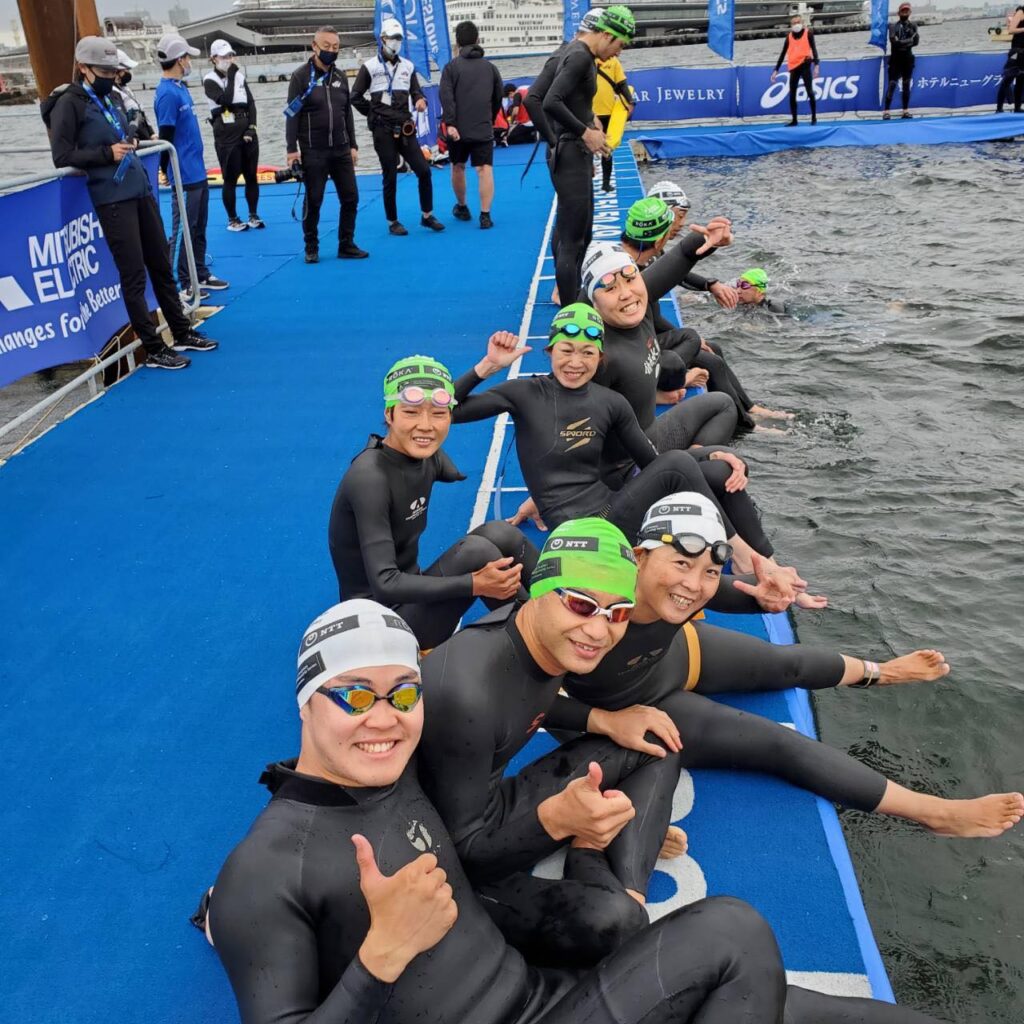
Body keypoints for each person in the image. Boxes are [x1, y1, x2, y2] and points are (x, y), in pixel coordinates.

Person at [198, 599, 947, 1024]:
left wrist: (592, 735)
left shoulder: (391, 771)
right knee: (732, 931)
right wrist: (380, 956)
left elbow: (512, 702)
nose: (384, 718)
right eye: (355, 695)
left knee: (792, 1005)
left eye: (402, 693)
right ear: (306, 701)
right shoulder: (265, 874)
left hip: (539, 991)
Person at [549, 493, 1024, 842]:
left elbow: (713, 588)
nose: (693, 585)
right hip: (639, 705)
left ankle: (883, 672)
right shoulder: (590, 606)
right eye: (680, 564)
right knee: (779, 744)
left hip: (678, 655)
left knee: (786, 662)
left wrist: (758, 595)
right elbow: (527, 697)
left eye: (709, 570)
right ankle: (936, 814)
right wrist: (605, 721)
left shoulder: (686, 590)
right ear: (639, 557)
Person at [453, 306, 740, 543]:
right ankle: (739, 551)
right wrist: (487, 367)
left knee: (719, 469)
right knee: (680, 463)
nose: (575, 362)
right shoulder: (524, 394)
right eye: (566, 350)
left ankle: (753, 556)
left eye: (587, 352)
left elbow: (651, 462)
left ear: (600, 357)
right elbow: (448, 412)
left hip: (611, 511)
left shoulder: (611, 402)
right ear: (550, 351)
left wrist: (710, 455)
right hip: (582, 530)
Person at [328, 353, 536, 649]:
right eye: (411, 413)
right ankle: (542, 639)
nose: (426, 426)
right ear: (389, 415)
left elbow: (446, 404)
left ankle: (561, 604)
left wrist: (485, 368)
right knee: (475, 553)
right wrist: (474, 584)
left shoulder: (427, 456)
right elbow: (385, 584)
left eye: (438, 414)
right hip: (380, 623)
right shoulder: (369, 478)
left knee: (501, 532)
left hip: (412, 597)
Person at [44, 36, 217, 371]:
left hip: (139, 190)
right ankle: (153, 348)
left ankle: (181, 331)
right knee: (134, 274)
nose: (111, 76)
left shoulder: (111, 97)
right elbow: (62, 156)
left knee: (161, 265)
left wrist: (133, 140)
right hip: (112, 198)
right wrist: (105, 154)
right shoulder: (71, 102)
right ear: (83, 68)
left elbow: (120, 131)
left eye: (114, 70)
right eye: (104, 71)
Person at [538, 6, 636, 308]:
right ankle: (573, 313)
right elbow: (549, 101)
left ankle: (571, 299)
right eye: (620, 45)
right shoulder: (580, 56)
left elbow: (568, 99)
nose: (619, 53)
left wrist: (589, 119)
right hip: (569, 151)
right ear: (606, 35)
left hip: (571, 152)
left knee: (578, 234)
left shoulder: (580, 54)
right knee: (574, 240)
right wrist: (585, 132)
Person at [351, 18, 445, 236]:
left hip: (405, 128)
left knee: (424, 171)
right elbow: (355, 96)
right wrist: (373, 113)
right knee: (390, 175)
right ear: (383, 39)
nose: (396, 42)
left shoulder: (408, 66)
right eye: (393, 38)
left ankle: (427, 215)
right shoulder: (370, 67)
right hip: (382, 130)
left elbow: (416, 91)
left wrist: (420, 100)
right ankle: (392, 221)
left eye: (399, 38)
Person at [154, 34, 230, 297]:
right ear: (179, 59)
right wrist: (165, 168)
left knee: (198, 226)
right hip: (183, 173)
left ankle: (199, 272)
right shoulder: (167, 93)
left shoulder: (180, 88)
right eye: (186, 57)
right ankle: (179, 283)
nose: (189, 62)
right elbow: (165, 135)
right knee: (183, 229)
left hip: (196, 169)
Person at [284, 26, 366, 264]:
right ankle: (311, 246)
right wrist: (292, 150)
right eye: (327, 46)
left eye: (336, 47)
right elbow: (292, 115)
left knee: (351, 198)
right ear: (315, 46)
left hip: (341, 149)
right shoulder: (300, 77)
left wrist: (353, 145)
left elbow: (346, 113)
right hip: (314, 151)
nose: (332, 50)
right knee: (314, 200)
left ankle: (346, 244)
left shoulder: (340, 77)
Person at [440, 21, 502, 229]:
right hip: (482, 126)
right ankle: (485, 215)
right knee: (484, 169)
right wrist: (489, 118)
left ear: (457, 42)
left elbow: (446, 97)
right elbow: (497, 98)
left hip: (457, 128)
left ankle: (462, 206)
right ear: (477, 40)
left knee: (458, 166)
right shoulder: (491, 68)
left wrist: (450, 123)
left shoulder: (451, 68)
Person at [204, 39, 263, 231]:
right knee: (230, 177)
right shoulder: (209, 80)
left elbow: (251, 103)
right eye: (224, 56)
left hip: (245, 125)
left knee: (251, 175)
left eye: (230, 56)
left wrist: (252, 127)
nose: (228, 60)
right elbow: (225, 100)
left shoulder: (239, 76)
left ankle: (253, 214)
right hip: (226, 131)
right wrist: (230, 76)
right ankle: (233, 219)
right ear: (214, 58)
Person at [593, 49, 633, 191]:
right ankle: (583, 182)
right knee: (585, 149)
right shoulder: (586, 60)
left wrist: (630, 102)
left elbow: (622, 83)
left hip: (609, 112)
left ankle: (606, 183)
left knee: (607, 148)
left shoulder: (614, 61)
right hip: (589, 114)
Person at [771, 13, 820, 126]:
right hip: (794, 67)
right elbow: (782, 54)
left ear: (802, 23)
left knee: (810, 92)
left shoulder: (808, 33)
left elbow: (814, 49)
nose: (796, 24)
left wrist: (816, 65)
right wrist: (776, 70)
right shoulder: (789, 37)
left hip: (805, 65)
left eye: (798, 22)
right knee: (792, 94)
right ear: (791, 25)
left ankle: (814, 118)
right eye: (794, 23)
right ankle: (794, 120)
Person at [883, 3, 919, 119]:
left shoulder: (913, 26)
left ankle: (905, 111)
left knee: (906, 85)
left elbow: (916, 42)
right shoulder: (893, 26)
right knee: (892, 84)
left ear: (910, 12)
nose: (905, 12)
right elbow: (894, 42)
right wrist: (908, 41)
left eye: (907, 11)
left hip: (908, 59)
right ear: (898, 13)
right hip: (895, 60)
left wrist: (903, 42)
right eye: (903, 11)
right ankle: (886, 112)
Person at [112, 49, 153, 141]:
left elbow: (140, 113)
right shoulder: (113, 92)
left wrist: (151, 133)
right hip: (136, 140)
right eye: (125, 70)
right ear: (116, 72)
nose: (128, 73)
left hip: (145, 137)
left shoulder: (124, 88)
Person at [995, 5, 1024, 113]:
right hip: (1016, 52)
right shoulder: (1021, 12)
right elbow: (1011, 30)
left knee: (1021, 81)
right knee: (1008, 79)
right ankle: (999, 108)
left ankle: (1017, 108)